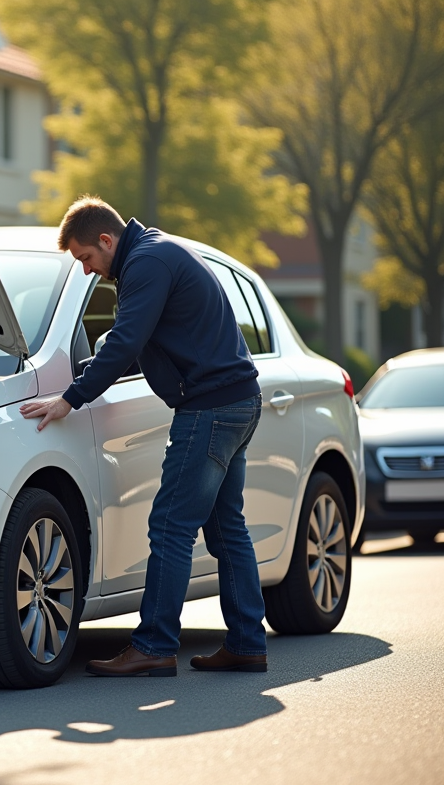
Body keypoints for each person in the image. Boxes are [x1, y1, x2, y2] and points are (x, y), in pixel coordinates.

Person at [21, 196, 268, 676]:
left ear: (107, 240)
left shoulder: (146, 264)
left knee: (171, 527)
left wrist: (70, 398)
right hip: (237, 401)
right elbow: (142, 343)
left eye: (87, 259)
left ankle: (154, 646)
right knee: (225, 529)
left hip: (211, 408)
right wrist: (87, 374)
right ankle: (246, 644)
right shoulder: (156, 253)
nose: (89, 271)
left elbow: (127, 339)